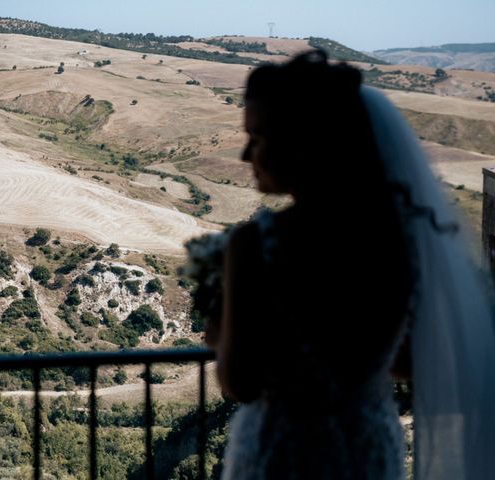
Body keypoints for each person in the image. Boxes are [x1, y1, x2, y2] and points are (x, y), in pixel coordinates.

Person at [205, 50, 495, 479]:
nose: (247, 155)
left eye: (259, 138)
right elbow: (406, 362)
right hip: (368, 445)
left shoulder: (258, 244)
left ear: (303, 146)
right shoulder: (399, 242)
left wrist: (220, 330)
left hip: (286, 450)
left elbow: (240, 383)